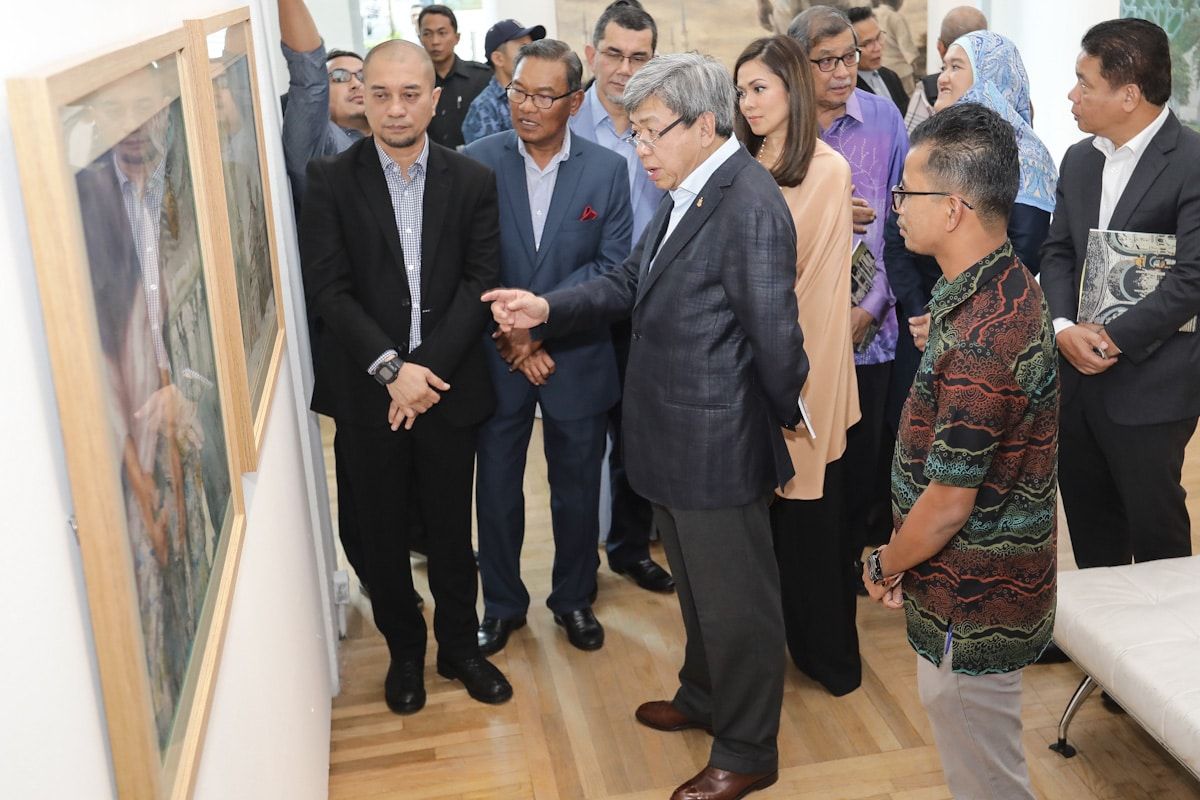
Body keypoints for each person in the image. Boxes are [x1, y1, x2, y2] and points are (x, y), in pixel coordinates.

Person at [483, 52, 808, 800]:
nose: (642, 150)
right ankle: (703, 695)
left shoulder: (747, 203)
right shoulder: (689, 187)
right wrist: (547, 308)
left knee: (739, 605)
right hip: (672, 436)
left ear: (703, 124)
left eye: (653, 133)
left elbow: (779, 346)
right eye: (635, 133)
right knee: (698, 595)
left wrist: (770, 423)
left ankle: (750, 747)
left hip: (718, 447)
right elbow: (632, 279)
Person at [300, 39, 511, 715]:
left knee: (452, 533)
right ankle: (405, 652)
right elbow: (329, 291)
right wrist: (393, 370)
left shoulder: (472, 180)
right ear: (363, 95)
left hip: (446, 389)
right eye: (380, 93)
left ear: (435, 96)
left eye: (409, 94)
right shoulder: (329, 179)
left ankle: (460, 648)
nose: (395, 109)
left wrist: (424, 371)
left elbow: (480, 281)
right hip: (370, 394)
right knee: (382, 533)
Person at [864, 101, 1058, 800]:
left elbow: (947, 505)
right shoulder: (996, 281)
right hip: (971, 585)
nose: (894, 208)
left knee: (988, 781)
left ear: (952, 207)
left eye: (905, 193)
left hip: (973, 599)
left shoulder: (986, 333)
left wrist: (882, 561)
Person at [465, 39, 632, 655]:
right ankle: (503, 603)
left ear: (575, 100)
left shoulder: (606, 170)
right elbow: (469, 265)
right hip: (496, 355)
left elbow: (612, 271)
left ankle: (574, 598)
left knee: (577, 490)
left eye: (542, 96)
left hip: (576, 354)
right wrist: (512, 336)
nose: (526, 106)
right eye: (518, 92)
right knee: (499, 489)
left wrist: (539, 329)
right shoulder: (476, 161)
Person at [1040, 18, 1200, 571]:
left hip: (1154, 382)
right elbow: (1058, 252)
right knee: (1092, 534)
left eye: (1084, 82)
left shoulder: (1191, 162)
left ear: (1129, 94)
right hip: (1075, 380)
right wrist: (1063, 330)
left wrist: (1108, 340)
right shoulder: (1079, 159)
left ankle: (1169, 656)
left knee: (1159, 541)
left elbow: (1192, 277)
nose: (1072, 94)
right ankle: (1102, 657)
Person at [734, 35, 863, 696]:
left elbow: (797, 283)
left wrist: (779, 372)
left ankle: (828, 657)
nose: (747, 101)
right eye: (742, 89)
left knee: (813, 519)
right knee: (778, 523)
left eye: (760, 88)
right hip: (761, 360)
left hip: (799, 364)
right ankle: (793, 645)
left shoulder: (826, 167)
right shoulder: (753, 157)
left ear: (792, 90)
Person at [887, 28, 1058, 432]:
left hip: (984, 327)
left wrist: (952, 318)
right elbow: (896, 235)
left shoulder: (1027, 156)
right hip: (920, 325)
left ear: (989, 76)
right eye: (943, 65)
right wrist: (921, 313)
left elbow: (1023, 250)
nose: (942, 76)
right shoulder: (927, 144)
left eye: (956, 66)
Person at [790, 5, 907, 593]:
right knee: (810, 467)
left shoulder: (885, 118)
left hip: (872, 330)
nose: (841, 72)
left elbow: (905, 219)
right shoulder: (779, 126)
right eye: (826, 61)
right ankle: (814, 580)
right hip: (801, 331)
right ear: (798, 65)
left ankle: (847, 573)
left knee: (863, 467)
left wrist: (874, 305)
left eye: (850, 57)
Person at [570, 0, 674, 594]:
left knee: (638, 440)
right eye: (613, 53)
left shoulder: (668, 124)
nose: (624, 69)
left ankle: (631, 548)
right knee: (581, 444)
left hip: (650, 309)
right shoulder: (568, 122)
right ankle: (577, 571)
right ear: (592, 54)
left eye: (639, 57)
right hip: (585, 308)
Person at [278, 0, 368, 210]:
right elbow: (309, 78)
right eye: (339, 77)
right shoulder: (320, 143)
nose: (356, 84)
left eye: (363, 76)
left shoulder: (393, 145)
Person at [904, 5, 987, 133]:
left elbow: (911, 144)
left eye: (955, 67)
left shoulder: (928, 89)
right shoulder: (1012, 92)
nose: (941, 79)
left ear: (940, 47)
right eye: (944, 68)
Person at [461, 19, 545, 145]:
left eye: (532, 47)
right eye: (524, 49)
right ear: (498, 59)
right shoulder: (484, 108)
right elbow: (486, 160)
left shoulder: (538, 95)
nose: (532, 55)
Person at [418, 5, 491, 149]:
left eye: (442, 33)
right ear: (419, 38)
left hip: (471, 164)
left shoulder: (482, 78)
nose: (435, 41)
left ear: (457, 38)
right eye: (427, 34)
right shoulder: (413, 82)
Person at [848, 6, 909, 111]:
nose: (878, 47)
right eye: (867, 43)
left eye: (878, 37)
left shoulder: (891, 77)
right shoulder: (848, 90)